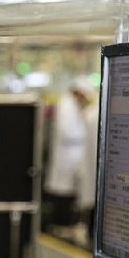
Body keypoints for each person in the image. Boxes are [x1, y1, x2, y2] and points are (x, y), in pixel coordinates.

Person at [43, 78, 95, 233]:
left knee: (70, 190)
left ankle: (67, 222)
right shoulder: (66, 105)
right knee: (62, 191)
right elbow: (67, 132)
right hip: (66, 154)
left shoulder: (74, 106)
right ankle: (60, 224)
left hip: (73, 153)